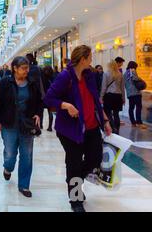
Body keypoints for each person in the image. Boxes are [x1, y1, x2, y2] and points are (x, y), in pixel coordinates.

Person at [44, 45, 112, 212]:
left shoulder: (90, 76)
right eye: (90, 57)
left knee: (95, 160)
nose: (91, 60)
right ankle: (76, 200)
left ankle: (73, 180)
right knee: (74, 163)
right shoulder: (65, 77)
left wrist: (105, 120)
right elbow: (48, 98)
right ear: (83, 59)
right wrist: (66, 105)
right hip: (70, 130)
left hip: (92, 126)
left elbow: (96, 100)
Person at [0, 57, 43, 198]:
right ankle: (8, 168)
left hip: (27, 125)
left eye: (27, 68)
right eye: (23, 68)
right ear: (15, 68)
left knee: (26, 155)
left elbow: (40, 101)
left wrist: (38, 114)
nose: (27, 71)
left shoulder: (32, 83)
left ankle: (24, 185)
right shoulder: (5, 83)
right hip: (9, 124)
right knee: (10, 154)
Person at [100, 60, 125, 135]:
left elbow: (104, 87)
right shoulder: (120, 74)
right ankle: (117, 129)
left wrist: (101, 97)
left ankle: (112, 128)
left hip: (109, 96)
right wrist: (123, 98)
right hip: (118, 96)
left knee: (108, 113)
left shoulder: (106, 74)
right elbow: (122, 88)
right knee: (116, 113)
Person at [124, 61, 147, 129]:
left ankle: (133, 123)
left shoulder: (125, 73)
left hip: (129, 93)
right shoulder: (132, 70)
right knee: (138, 107)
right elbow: (135, 78)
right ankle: (139, 122)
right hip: (136, 92)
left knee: (131, 108)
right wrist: (141, 79)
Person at [26, 53, 45, 128]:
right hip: (37, 91)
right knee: (39, 108)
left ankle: (36, 125)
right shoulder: (37, 68)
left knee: (34, 108)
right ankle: (40, 124)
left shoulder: (32, 68)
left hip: (33, 91)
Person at [41, 65, 55, 132]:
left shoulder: (42, 77)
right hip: (50, 96)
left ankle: (40, 125)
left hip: (43, 96)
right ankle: (50, 127)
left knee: (41, 111)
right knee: (50, 112)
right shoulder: (52, 77)